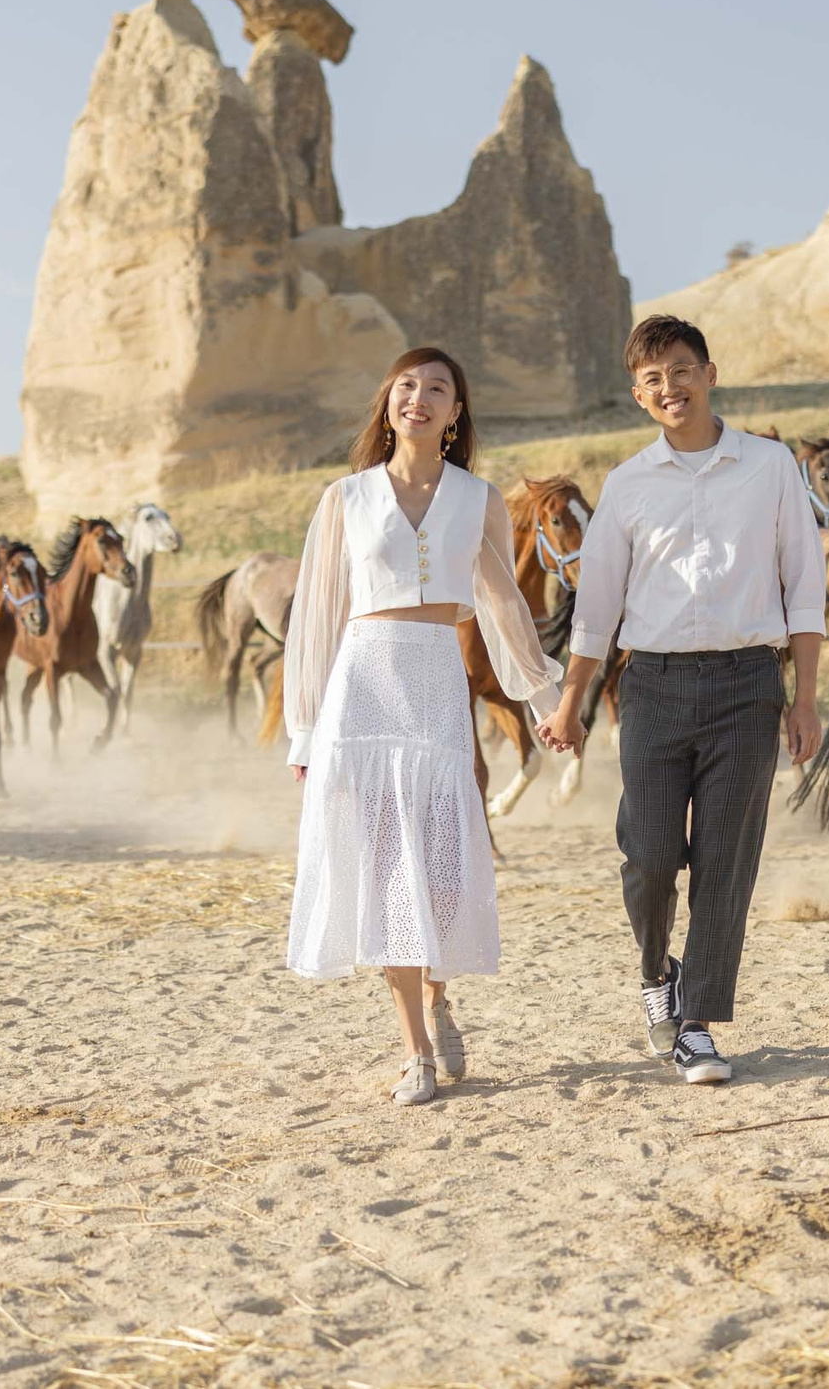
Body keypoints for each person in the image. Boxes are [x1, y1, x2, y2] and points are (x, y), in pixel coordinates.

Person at [539, 316, 825, 1084]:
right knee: (649, 856)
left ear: (710, 373)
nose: (672, 386)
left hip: (746, 685)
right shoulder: (628, 485)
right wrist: (572, 702)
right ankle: (653, 976)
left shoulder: (768, 468)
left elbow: (805, 585)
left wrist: (805, 700)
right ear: (638, 396)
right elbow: (596, 610)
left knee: (726, 863)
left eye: (682, 369)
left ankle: (696, 1022)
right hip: (655, 687)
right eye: (654, 378)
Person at [282, 346, 570, 1106]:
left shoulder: (476, 499)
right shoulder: (344, 497)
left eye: (436, 389)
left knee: (439, 867)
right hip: (363, 683)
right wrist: (305, 732)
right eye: (406, 386)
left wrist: (544, 699)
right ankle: (414, 1050)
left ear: (455, 412)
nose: (419, 397)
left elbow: (505, 603)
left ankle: (441, 997)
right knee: (381, 868)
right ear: (388, 403)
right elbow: (315, 617)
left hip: (436, 679)